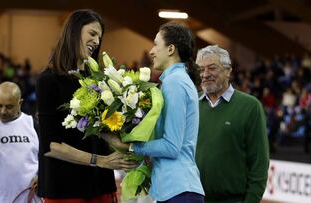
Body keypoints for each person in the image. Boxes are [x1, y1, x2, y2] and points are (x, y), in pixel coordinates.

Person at [36, 9, 136, 203]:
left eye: (100, 37)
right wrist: (100, 160)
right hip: (64, 188)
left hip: (100, 185)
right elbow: (51, 146)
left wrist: (131, 149)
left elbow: (102, 131)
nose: (97, 41)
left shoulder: (100, 80)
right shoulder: (48, 80)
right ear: (73, 31)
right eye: (92, 33)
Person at [102, 23, 205, 203]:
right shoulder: (177, 81)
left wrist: (131, 146)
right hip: (177, 188)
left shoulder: (175, 82)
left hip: (178, 189)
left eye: (156, 44)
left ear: (171, 49)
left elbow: (171, 147)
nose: (151, 51)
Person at [195, 45, 269, 203]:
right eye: (201, 69)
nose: (205, 74)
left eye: (212, 68)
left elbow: (259, 163)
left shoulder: (250, 106)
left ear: (228, 70)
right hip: (192, 198)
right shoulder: (190, 103)